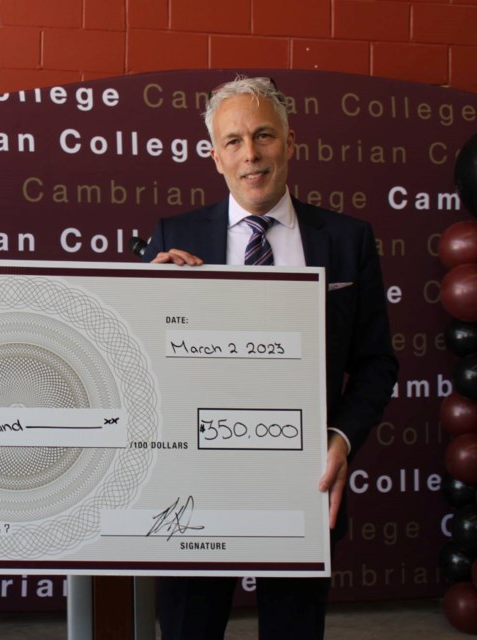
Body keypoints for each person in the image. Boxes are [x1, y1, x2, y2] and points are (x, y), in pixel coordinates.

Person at [142, 75, 398, 639]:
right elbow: (136, 367)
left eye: (264, 136)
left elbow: (377, 363)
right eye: (233, 141)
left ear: (290, 140)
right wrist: (147, 302)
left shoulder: (348, 240)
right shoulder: (171, 237)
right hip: (192, 485)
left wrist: (343, 438)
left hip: (300, 482)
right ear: (215, 157)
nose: (251, 155)